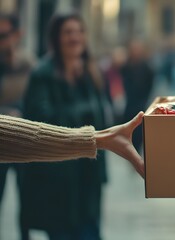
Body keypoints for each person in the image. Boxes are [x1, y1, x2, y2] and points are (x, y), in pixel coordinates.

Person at [22, 13, 109, 240]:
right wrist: (84, 119)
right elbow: (41, 120)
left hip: (88, 173)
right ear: (57, 38)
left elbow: (103, 117)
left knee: (91, 232)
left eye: (79, 31)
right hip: (58, 175)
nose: (75, 37)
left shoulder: (90, 72)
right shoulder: (43, 73)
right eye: (68, 32)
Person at [0, 113, 145, 176]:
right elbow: (9, 138)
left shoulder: (90, 72)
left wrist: (102, 138)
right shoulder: (42, 74)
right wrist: (101, 138)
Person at [0, 13, 33, 238]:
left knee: (27, 199)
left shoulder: (28, 64)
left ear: (17, 35)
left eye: (3, 35)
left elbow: (37, 101)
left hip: (23, 142)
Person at [121, 40, 155, 152]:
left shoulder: (146, 67)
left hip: (141, 104)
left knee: (140, 132)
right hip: (130, 105)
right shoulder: (126, 66)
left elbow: (150, 84)